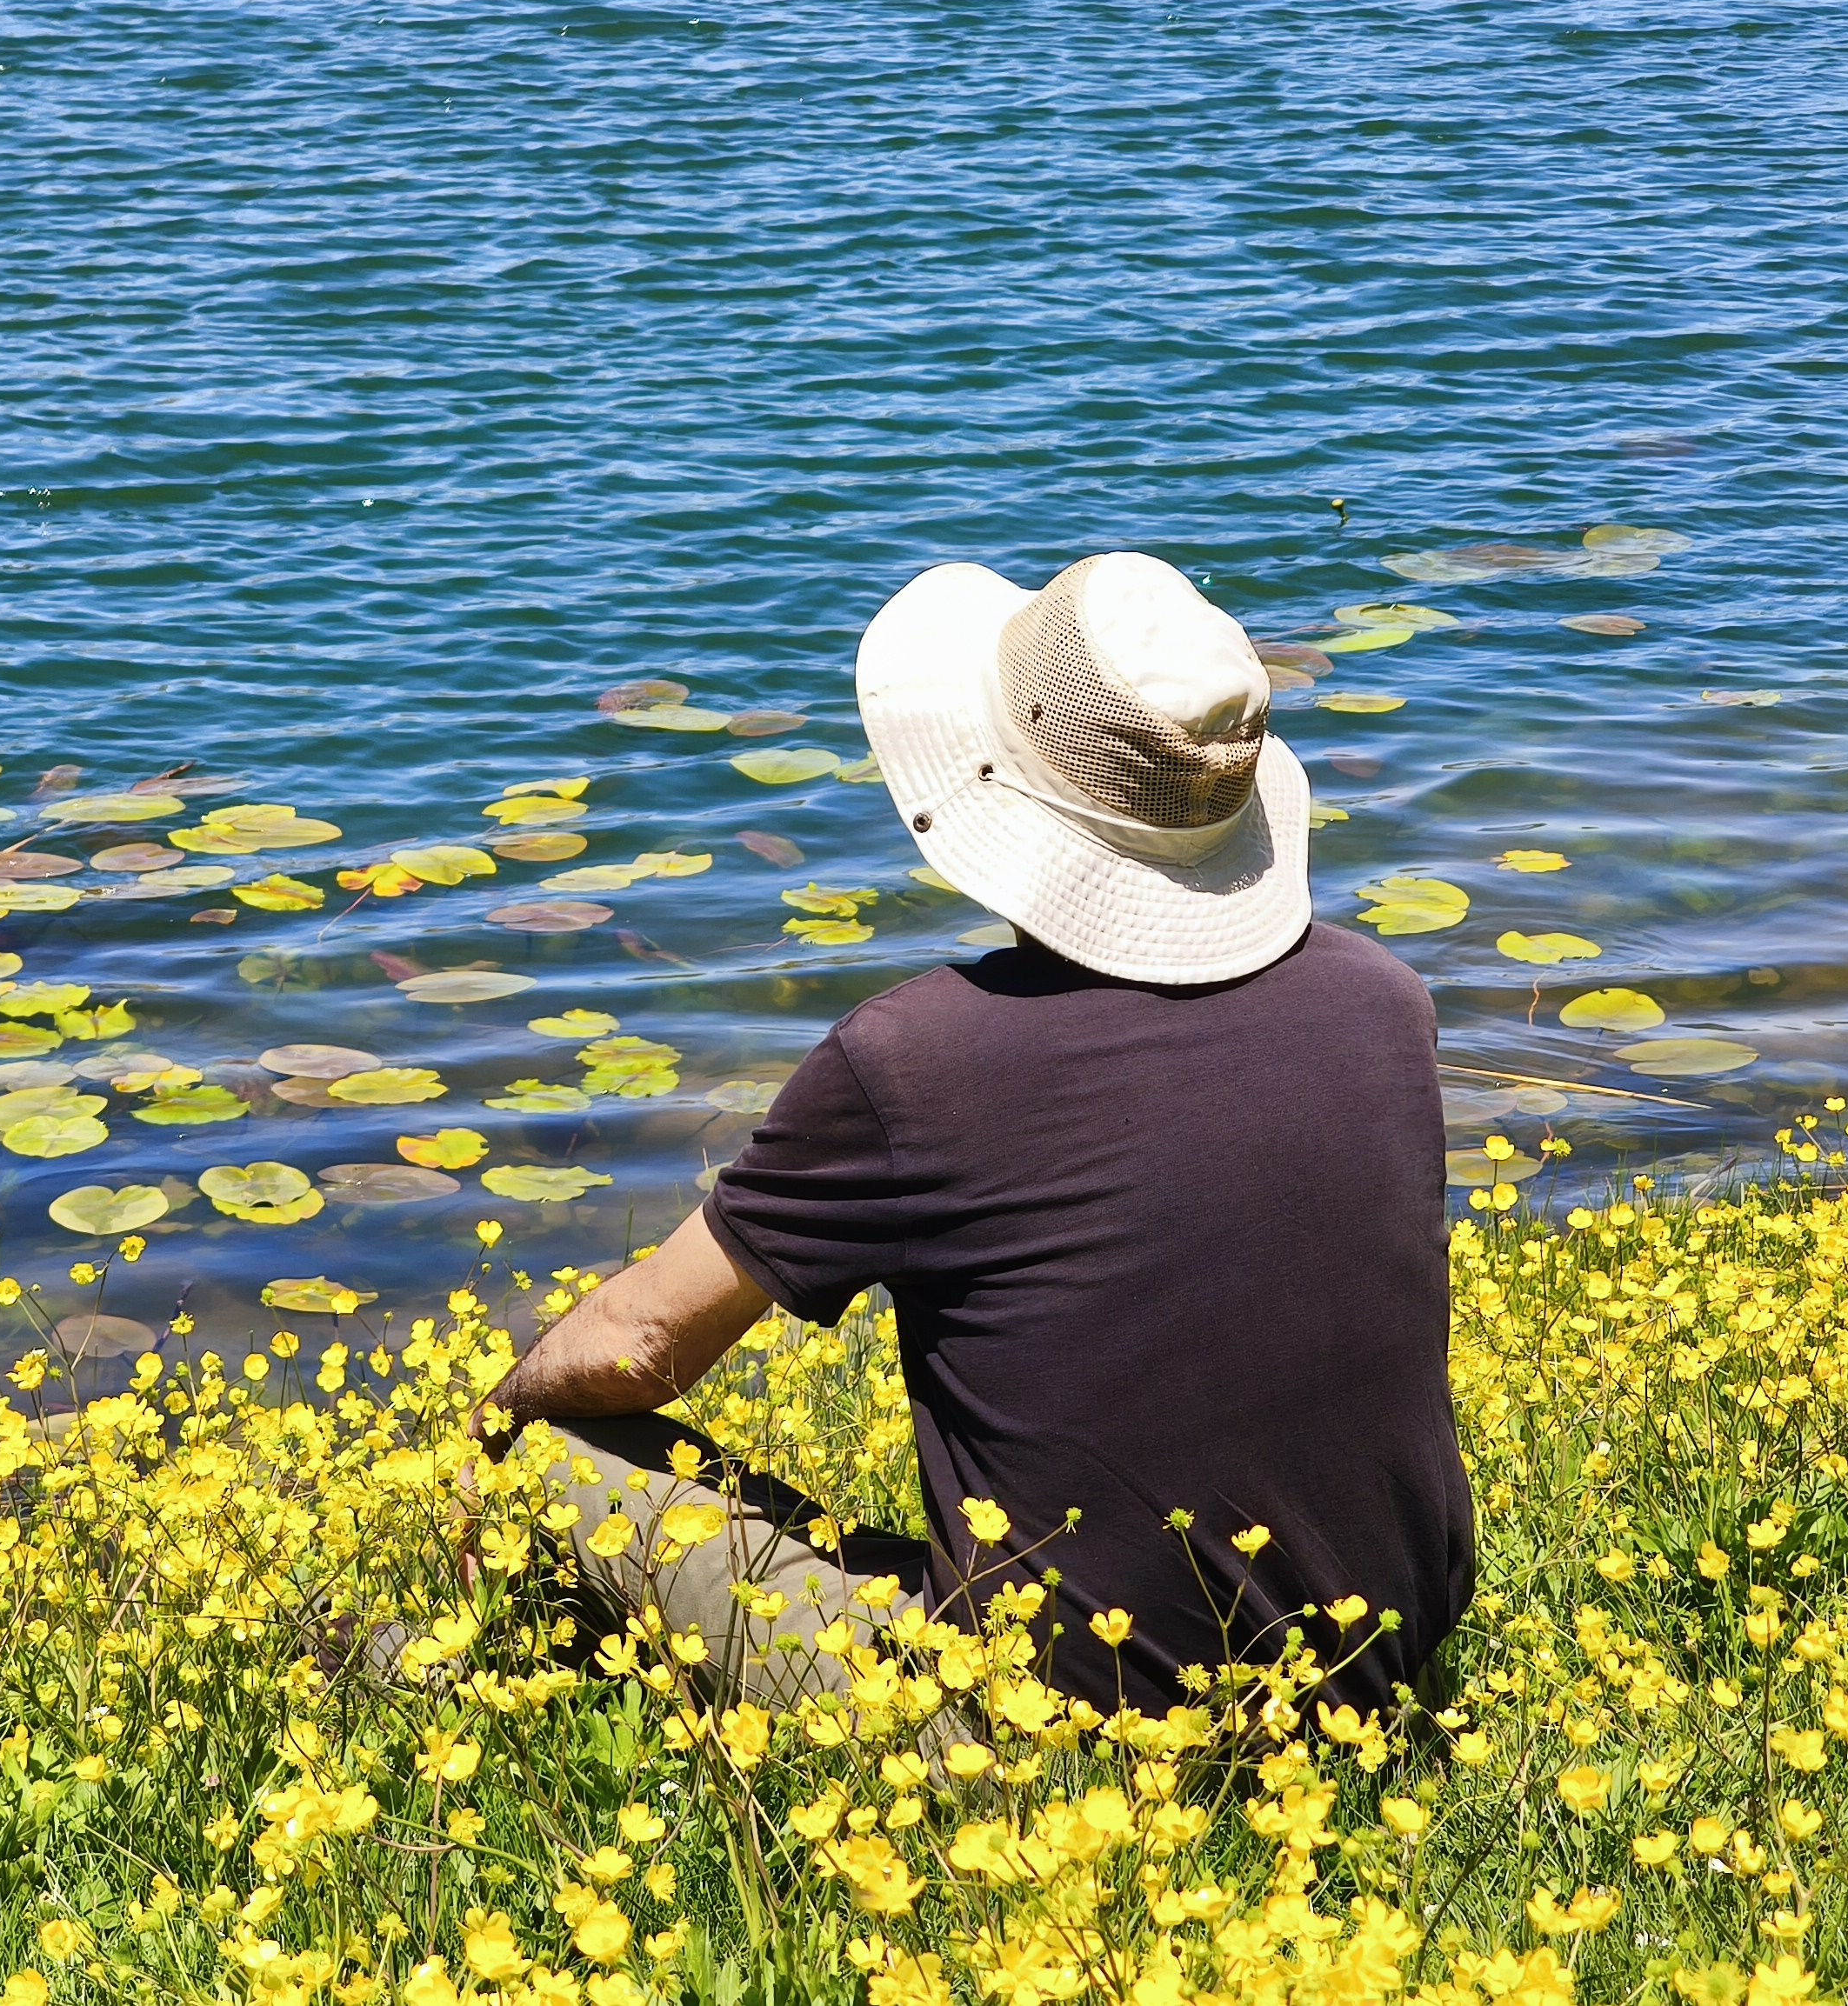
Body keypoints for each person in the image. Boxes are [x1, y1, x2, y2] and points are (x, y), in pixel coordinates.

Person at [480, 551, 1472, 1716]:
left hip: (1069, 1730)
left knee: (548, 1455)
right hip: (1375, 1671)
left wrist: (491, 1421)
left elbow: (636, 1347)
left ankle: (493, 1683)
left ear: (1002, 787)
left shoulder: (916, 1059)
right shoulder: (1385, 1001)